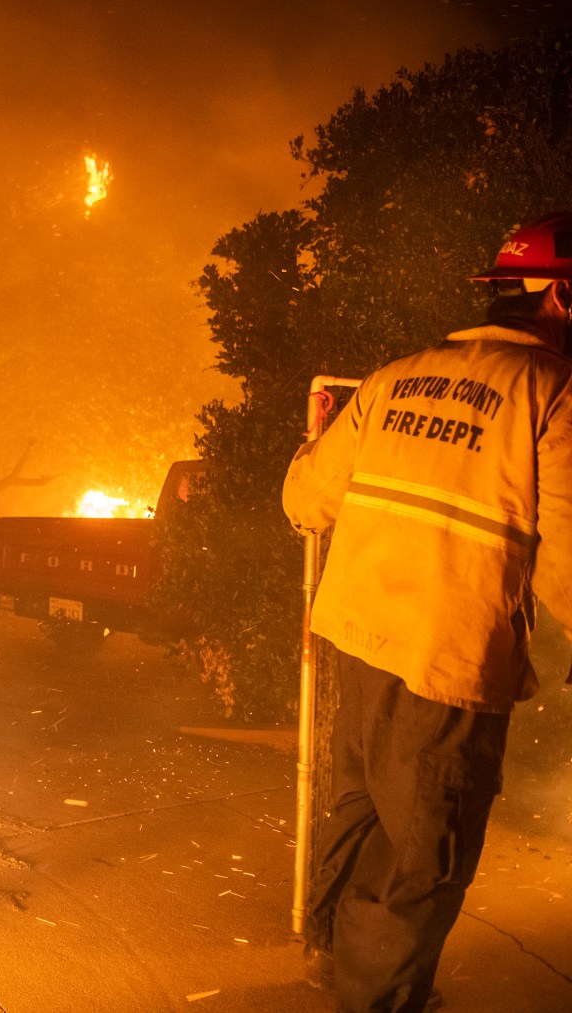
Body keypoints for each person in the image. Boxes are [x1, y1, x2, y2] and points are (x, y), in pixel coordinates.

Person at [283, 211, 572, 1013]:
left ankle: (328, 960)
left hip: (358, 638)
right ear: (561, 296)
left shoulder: (394, 377)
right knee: (424, 854)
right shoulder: (550, 391)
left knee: (359, 808)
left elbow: (305, 496)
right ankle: (376, 999)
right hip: (447, 659)